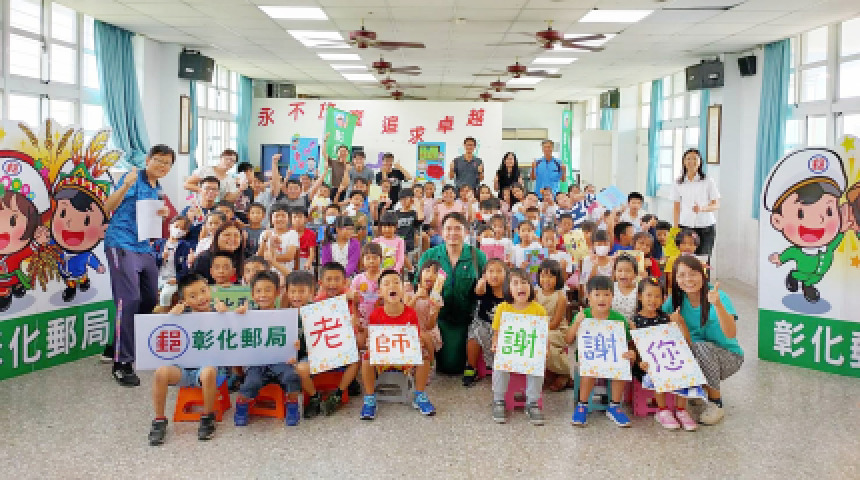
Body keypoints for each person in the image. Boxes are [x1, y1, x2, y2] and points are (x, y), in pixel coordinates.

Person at [104, 145, 174, 386]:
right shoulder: (132, 178)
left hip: (144, 247)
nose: (162, 166)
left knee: (149, 299)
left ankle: (118, 345)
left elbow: (151, 217)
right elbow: (108, 207)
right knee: (129, 299)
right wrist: (125, 186)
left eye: (167, 163)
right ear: (148, 160)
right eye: (158, 160)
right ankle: (121, 362)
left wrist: (162, 214)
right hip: (121, 243)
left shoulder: (158, 188)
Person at [148, 273, 227, 445]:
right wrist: (169, 318)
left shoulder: (219, 312)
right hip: (182, 370)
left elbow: (234, 335)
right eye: (193, 296)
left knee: (208, 371)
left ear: (210, 290)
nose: (200, 298)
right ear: (184, 301)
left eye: (203, 291)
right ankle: (159, 420)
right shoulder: (180, 317)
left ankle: (207, 417)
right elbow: (157, 337)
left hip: (209, 371)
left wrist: (226, 315)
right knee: (161, 372)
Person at [663, 256, 742, 425]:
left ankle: (716, 403)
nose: (688, 279)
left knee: (700, 347)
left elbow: (731, 334)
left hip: (729, 357)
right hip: (696, 355)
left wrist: (718, 305)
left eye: (693, 274)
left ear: (703, 275)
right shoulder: (675, 300)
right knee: (677, 348)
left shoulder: (718, 296)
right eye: (682, 275)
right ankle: (697, 390)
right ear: (675, 279)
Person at [415, 212, 488, 374]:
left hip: (466, 319)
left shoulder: (478, 256)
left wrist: (481, 290)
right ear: (442, 232)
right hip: (437, 319)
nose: (452, 233)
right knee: (447, 367)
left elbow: (488, 289)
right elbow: (416, 283)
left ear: (466, 232)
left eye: (457, 228)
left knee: (455, 366)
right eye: (448, 229)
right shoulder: (430, 255)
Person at [359, 269, 437, 420]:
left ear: (403, 290)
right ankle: (369, 398)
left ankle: (419, 395)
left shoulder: (410, 313)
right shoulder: (376, 314)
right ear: (380, 292)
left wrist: (418, 343)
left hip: (405, 361)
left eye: (396, 282)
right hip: (383, 361)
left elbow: (415, 337)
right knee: (366, 358)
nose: (392, 286)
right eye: (386, 283)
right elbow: (372, 339)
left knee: (424, 357)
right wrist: (370, 344)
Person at [234, 271, 304, 427]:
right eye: (258, 291)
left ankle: (292, 406)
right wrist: (238, 316)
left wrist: (295, 348)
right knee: (251, 382)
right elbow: (235, 333)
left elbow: (295, 343)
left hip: (281, 361)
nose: (263, 295)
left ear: (277, 292)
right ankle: (242, 405)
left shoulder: (286, 316)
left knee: (292, 376)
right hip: (256, 363)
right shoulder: (247, 315)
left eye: (268, 290)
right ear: (252, 295)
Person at [630, 276, 698, 431]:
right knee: (657, 369)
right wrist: (639, 362)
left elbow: (686, 343)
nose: (653, 300)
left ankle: (681, 410)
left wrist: (680, 322)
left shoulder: (666, 319)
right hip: (645, 365)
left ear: (663, 299)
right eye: (648, 295)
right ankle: (662, 410)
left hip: (667, 359)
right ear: (640, 296)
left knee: (683, 367)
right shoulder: (634, 321)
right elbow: (634, 348)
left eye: (657, 296)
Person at [567, 275, 636, 427]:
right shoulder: (583, 315)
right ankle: (582, 404)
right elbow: (568, 340)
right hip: (589, 358)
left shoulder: (619, 319)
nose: (602, 299)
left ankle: (614, 406)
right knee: (590, 367)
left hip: (612, 358)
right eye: (597, 294)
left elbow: (627, 343)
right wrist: (577, 323)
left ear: (613, 296)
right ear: (588, 296)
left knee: (621, 365)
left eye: (606, 294)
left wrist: (631, 353)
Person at [297, 262, 362, 417]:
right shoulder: (316, 303)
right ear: (321, 282)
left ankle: (337, 395)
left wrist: (355, 320)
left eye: (337, 279)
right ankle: (314, 397)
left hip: (340, 348)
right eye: (329, 279)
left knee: (356, 359)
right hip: (318, 351)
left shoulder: (351, 297)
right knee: (301, 369)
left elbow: (356, 302)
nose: (332, 283)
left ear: (345, 281)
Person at [490, 268, 548, 425]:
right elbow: (497, 333)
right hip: (510, 352)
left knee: (538, 365)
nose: (520, 286)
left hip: (529, 353)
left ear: (530, 286)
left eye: (524, 282)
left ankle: (532, 402)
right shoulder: (503, 308)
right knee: (500, 365)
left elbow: (543, 336)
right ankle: (499, 400)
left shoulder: (538, 310)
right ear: (508, 288)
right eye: (515, 283)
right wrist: (495, 344)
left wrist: (545, 350)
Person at [463, 258, 507, 386]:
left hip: (502, 328)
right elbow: (478, 292)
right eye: (490, 271)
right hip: (483, 323)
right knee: (473, 336)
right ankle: (471, 367)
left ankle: (501, 368)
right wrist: (480, 285)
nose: (494, 275)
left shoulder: (509, 292)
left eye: (499, 271)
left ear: (506, 274)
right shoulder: (484, 288)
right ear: (484, 275)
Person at [671, 148, 720, 256]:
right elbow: (676, 207)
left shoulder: (708, 181)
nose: (691, 162)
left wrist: (702, 209)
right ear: (684, 162)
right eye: (688, 159)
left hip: (706, 226)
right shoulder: (678, 182)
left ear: (700, 162)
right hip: (685, 226)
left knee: (703, 259)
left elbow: (716, 205)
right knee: (686, 259)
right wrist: (675, 228)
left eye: (695, 159)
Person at [535, 259, 570, 392]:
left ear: (558, 278)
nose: (546, 280)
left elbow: (555, 323)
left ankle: (565, 371)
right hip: (539, 328)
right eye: (543, 276)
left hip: (557, 330)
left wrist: (539, 330)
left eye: (551, 276)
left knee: (544, 343)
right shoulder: (536, 293)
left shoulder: (560, 297)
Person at [152, 216, 192, 313]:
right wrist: (161, 257)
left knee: (166, 295)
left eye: (182, 228)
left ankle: (162, 315)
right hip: (157, 278)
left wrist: (178, 278)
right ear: (170, 226)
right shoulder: (158, 244)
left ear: (186, 232)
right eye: (176, 226)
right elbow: (150, 260)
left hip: (173, 279)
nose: (178, 230)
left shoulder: (185, 246)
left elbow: (186, 267)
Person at [407, 261, 445, 357]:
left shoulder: (437, 299)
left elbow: (430, 326)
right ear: (420, 274)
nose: (430, 275)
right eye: (427, 271)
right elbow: (404, 313)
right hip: (410, 330)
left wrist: (433, 312)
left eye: (434, 273)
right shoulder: (409, 290)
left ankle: (430, 362)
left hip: (428, 333)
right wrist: (416, 296)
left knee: (423, 338)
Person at [181, 175, 220, 249]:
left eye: (214, 189)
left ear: (217, 192)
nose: (211, 191)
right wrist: (189, 221)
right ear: (200, 190)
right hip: (189, 248)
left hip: (212, 249)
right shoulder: (189, 210)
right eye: (207, 188)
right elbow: (178, 234)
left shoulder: (220, 211)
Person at [351, 242, 383, 327]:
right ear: (362, 260)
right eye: (368, 258)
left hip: (382, 320)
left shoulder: (385, 278)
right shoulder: (358, 279)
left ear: (381, 259)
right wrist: (355, 316)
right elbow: (353, 302)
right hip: (362, 321)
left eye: (375, 258)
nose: (371, 261)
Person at [612, 254, 639, 322]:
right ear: (614, 272)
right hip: (612, 325)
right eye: (620, 270)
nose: (623, 274)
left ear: (635, 274)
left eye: (628, 271)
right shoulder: (610, 288)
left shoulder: (640, 289)